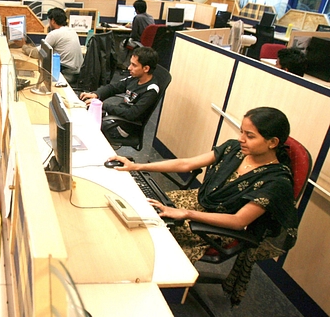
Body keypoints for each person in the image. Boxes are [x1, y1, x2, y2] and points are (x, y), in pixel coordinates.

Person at [107, 107, 298, 305]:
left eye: (249, 136)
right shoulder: (234, 149)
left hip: (216, 225)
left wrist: (186, 213)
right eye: (241, 131)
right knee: (138, 207)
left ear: (273, 142)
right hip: (196, 201)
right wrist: (136, 166)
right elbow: (185, 164)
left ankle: (137, 290)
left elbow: (238, 221)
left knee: (149, 228)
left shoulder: (276, 182)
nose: (241, 138)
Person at [80, 47, 159, 139]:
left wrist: (103, 105)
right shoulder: (134, 78)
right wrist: (96, 94)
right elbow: (113, 88)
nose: (129, 68)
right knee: (82, 119)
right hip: (115, 117)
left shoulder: (151, 90)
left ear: (146, 68)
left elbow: (131, 114)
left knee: (85, 130)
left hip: (123, 128)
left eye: (134, 65)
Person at [25, 8, 83, 83]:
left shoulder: (55, 34)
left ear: (52, 21)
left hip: (66, 73)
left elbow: (37, 53)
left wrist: (23, 46)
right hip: (77, 73)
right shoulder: (72, 31)